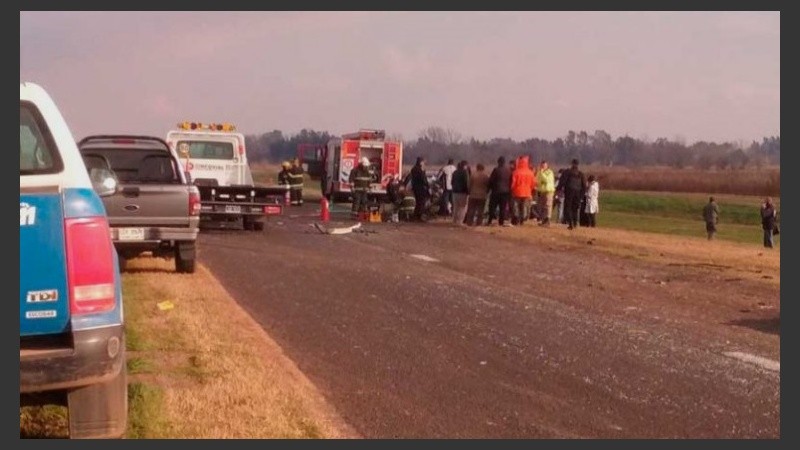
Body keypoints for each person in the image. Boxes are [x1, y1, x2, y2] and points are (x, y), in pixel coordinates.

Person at [487, 156, 513, 227]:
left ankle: (490, 220)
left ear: (498, 162)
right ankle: (501, 222)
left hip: (496, 191)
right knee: (503, 208)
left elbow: (491, 181)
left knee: (492, 207)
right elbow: (511, 181)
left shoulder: (496, 170)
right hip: (505, 192)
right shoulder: (508, 171)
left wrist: (489, 189)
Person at [561, 159, 587, 230]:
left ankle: (570, 223)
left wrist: (558, 189)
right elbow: (584, 186)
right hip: (578, 193)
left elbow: (562, 182)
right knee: (575, 208)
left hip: (569, 192)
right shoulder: (581, 174)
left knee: (568, 208)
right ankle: (575, 223)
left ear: (572, 164)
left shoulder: (567, 172)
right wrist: (581, 196)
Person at [510, 156, 535, 226]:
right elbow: (533, 183)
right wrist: (530, 189)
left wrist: (512, 190)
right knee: (525, 206)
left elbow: (513, 183)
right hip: (527, 192)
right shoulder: (530, 173)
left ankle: (517, 218)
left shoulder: (515, 172)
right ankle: (523, 219)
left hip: (517, 192)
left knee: (516, 206)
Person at [404, 157, 430, 222]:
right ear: (421, 162)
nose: (424, 163)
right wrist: (427, 185)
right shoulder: (419, 169)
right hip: (421, 188)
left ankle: (416, 216)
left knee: (418, 202)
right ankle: (419, 216)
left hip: (415, 188)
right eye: (423, 162)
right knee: (421, 202)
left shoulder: (413, 169)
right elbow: (423, 179)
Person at [536, 160, 555, 226]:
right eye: (542, 165)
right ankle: (543, 220)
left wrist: (542, 173)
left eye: (544, 165)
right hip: (541, 191)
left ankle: (548, 219)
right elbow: (537, 180)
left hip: (548, 191)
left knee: (548, 205)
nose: (542, 167)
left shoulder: (549, 172)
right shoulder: (539, 172)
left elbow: (546, 180)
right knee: (542, 206)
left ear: (547, 166)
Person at [451, 160, 470, 226]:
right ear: (465, 165)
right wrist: (468, 192)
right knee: (462, 208)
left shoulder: (455, 172)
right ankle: (460, 222)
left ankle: (454, 221)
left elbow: (452, 182)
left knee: (456, 207)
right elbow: (466, 183)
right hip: (462, 192)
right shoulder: (465, 172)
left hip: (454, 192)